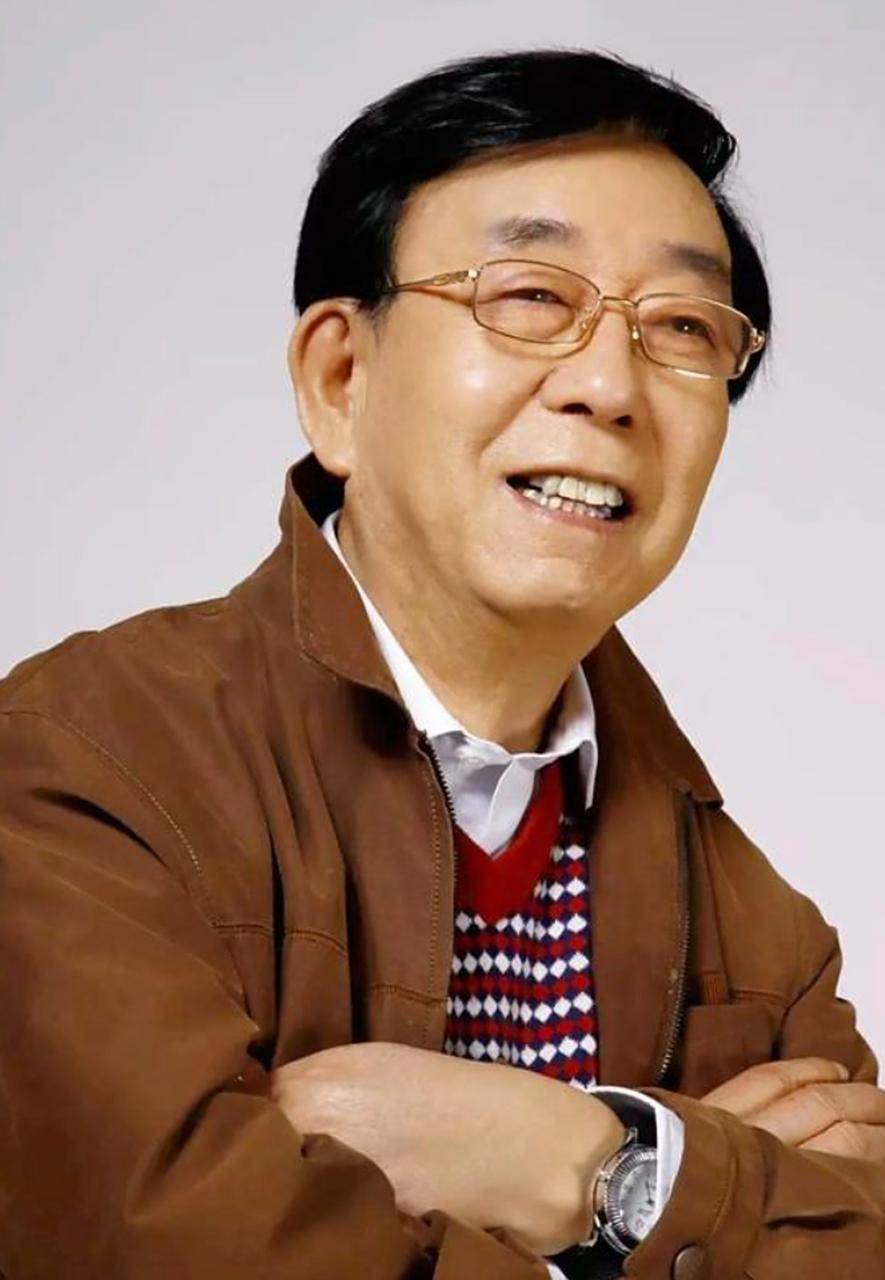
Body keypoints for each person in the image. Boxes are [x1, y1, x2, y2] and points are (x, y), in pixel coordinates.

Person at [0, 47, 882, 1280]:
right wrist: (713, 1188)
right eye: (529, 295)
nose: (610, 385)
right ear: (340, 378)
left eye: (683, 326)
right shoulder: (83, 767)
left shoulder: (759, 926)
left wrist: (588, 1157)